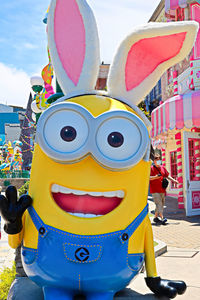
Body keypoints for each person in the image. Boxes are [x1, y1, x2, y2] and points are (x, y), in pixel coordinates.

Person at [150, 153, 178, 225]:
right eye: (156, 160)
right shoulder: (151, 168)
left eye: (159, 159)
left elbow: (167, 175)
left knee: (161, 204)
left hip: (162, 189)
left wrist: (173, 180)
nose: (158, 161)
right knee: (159, 203)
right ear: (154, 161)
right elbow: (147, 178)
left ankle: (155, 218)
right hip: (154, 190)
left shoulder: (163, 168)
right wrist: (155, 177)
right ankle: (162, 218)